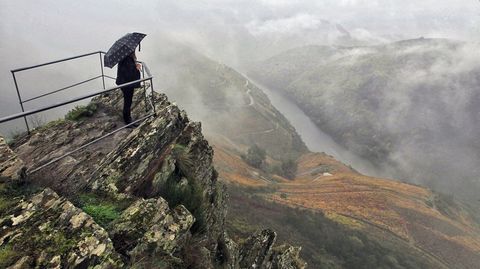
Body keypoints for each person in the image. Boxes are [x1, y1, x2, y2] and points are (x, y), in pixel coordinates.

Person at [116, 51, 142, 127]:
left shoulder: (123, 57)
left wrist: (135, 64)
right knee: (128, 101)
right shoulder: (127, 59)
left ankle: (128, 119)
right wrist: (136, 68)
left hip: (123, 82)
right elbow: (130, 74)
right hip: (126, 84)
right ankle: (128, 121)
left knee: (128, 101)